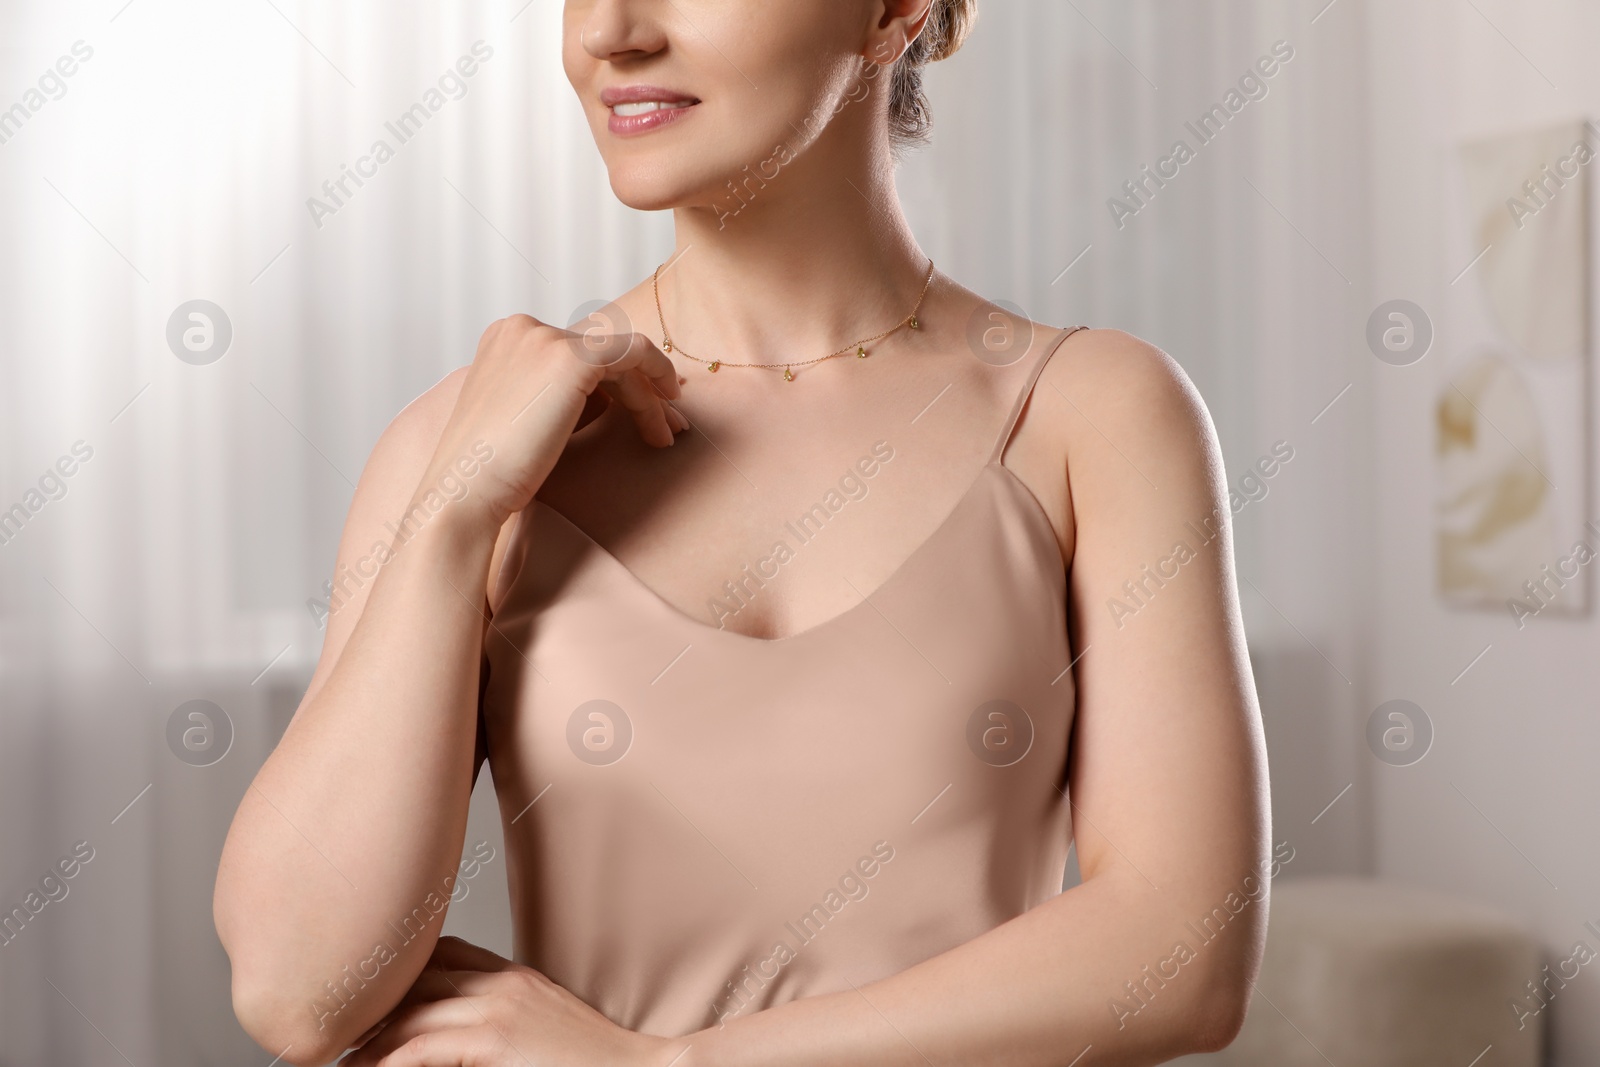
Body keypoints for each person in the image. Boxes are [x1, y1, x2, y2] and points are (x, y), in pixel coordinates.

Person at [214, 2, 1270, 1064]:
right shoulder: (470, 446)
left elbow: (1185, 953)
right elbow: (298, 992)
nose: (611, 33)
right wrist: (450, 517)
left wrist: (666, 1063)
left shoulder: (1092, 413)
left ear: (893, 12)